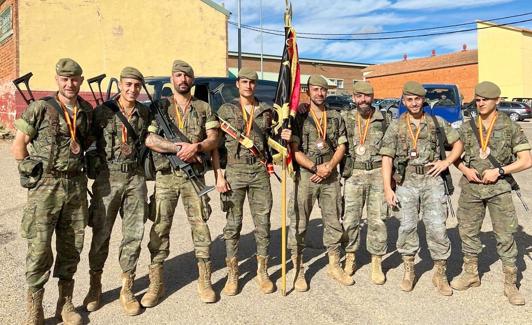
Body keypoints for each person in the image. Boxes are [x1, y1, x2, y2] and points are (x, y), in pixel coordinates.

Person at [11, 58, 93, 325]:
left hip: (75, 186)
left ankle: (65, 304)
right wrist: (33, 173)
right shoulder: (40, 108)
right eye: (65, 79)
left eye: (75, 79)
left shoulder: (86, 110)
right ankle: (35, 308)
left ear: (81, 80)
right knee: (39, 247)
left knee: (72, 246)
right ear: (57, 79)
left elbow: (88, 145)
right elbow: (18, 147)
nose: (70, 84)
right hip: (45, 187)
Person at [142, 60, 220, 305]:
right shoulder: (160, 107)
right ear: (171, 79)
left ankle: (205, 280)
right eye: (178, 75)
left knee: (200, 226)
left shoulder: (204, 107)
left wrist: (196, 147)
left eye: (187, 76)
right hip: (166, 177)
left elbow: (214, 138)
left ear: (192, 80)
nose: (183, 79)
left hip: (194, 177)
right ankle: (155, 284)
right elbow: (150, 139)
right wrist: (177, 148)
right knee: (159, 228)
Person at [450, 81, 532, 305]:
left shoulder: (510, 127)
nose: (481, 102)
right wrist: (465, 169)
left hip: (499, 190)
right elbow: (454, 156)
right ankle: (471, 274)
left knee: (506, 235)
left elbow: (526, 161)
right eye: (478, 99)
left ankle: (510, 284)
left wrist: (500, 170)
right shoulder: (467, 127)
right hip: (471, 190)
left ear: (497, 100)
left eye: (486, 99)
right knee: (467, 232)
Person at [380, 81, 463, 295]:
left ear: (422, 100)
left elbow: (458, 144)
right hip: (406, 182)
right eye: (410, 99)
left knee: (437, 227)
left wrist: (446, 162)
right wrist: (388, 189)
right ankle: (409, 269)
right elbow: (387, 158)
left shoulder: (437, 121)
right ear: (404, 101)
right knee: (407, 227)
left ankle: (440, 272)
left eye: (417, 99)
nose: (414, 103)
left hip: (432, 181)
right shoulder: (396, 125)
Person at [83, 67, 151, 315]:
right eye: (128, 84)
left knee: (134, 234)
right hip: (107, 178)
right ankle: (95, 286)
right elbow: (85, 142)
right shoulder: (103, 112)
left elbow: (148, 141)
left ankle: (127, 288)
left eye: (136, 85)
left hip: (135, 177)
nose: (132, 89)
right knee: (101, 234)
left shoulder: (144, 112)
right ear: (120, 84)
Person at [214, 67, 282, 295]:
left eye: (252, 82)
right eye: (244, 81)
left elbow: (274, 140)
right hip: (235, 171)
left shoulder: (266, 111)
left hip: (260, 172)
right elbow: (214, 145)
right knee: (233, 224)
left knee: (262, 223)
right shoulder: (226, 110)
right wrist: (219, 174)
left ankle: (262, 271)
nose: (248, 86)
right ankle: (233, 274)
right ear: (238, 84)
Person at [287, 74, 354, 292]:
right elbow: (294, 151)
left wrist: (329, 167)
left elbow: (342, 146)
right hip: (307, 174)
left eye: (323, 90)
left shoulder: (335, 116)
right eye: (315, 89)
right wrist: (315, 168)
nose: (320, 93)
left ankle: (334, 265)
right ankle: (298, 268)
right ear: (308, 90)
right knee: (299, 221)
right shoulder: (298, 117)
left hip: (330, 174)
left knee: (333, 220)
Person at [342, 81, 388, 284]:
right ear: (353, 98)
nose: (363, 99)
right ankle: (350, 255)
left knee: (377, 219)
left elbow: (392, 151)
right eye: (359, 96)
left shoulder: (384, 119)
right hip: (354, 174)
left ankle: (377, 260)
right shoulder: (344, 118)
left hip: (377, 173)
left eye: (367, 96)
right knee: (350, 219)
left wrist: (391, 180)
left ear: (373, 97)